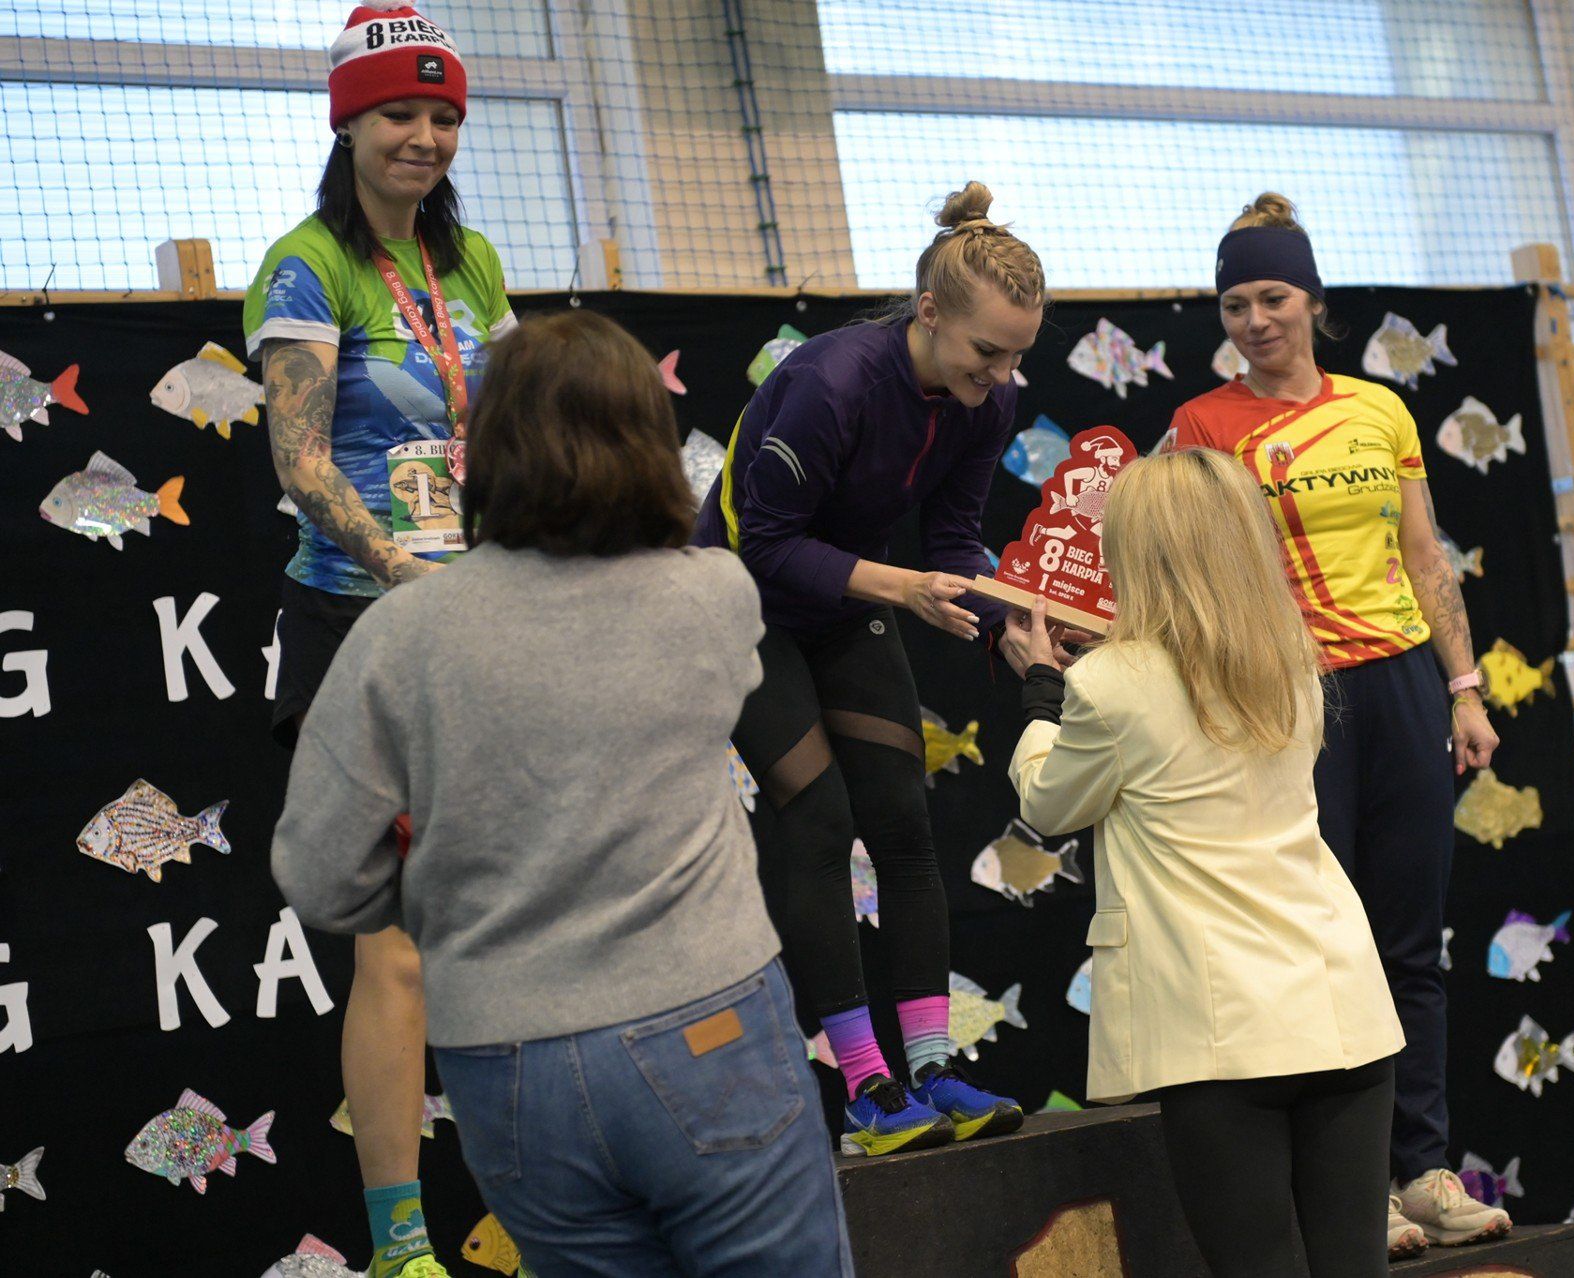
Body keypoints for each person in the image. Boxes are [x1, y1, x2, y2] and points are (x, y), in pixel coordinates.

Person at [272, 310, 855, 1278]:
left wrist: (455, 905)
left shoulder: (399, 637)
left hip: (507, 1068)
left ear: (484, 451)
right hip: (707, 1028)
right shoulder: (715, 595)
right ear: (651, 443)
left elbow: (318, 872)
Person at [1165, 194, 1507, 1256]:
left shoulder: (1379, 411)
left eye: (1272, 296)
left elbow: (1422, 555)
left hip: (1404, 682)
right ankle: (1353, 1200)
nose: (1256, 320)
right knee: (1320, 948)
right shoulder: (1201, 429)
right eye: (1234, 303)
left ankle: (1426, 1174)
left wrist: (1463, 687)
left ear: (1312, 297)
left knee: (1410, 942)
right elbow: (1192, 574)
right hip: (1289, 705)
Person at [692, 182, 1059, 1155]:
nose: (1004, 374)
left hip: (849, 601)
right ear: (930, 313)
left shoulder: (988, 402)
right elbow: (762, 545)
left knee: (904, 825)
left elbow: (950, 542)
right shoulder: (831, 384)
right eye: (989, 351)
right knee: (818, 819)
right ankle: (865, 1091)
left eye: (1021, 354)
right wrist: (905, 592)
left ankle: (932, 1073)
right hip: (740, 605)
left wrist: (1009, 622)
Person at [243, 6, 514, 1274]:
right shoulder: (307, 265)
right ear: (347, 121)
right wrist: (407, 570)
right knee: (395, 945)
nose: (423, 136)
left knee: (519, 924)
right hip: (358, 629)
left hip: (482, 625)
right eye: (398, 113)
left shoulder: (475, 267)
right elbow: (300, 462)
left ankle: (550, 1202)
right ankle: (402, 1245)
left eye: (443, 114)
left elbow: (516, 431)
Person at [1004, 449, 1404, 1277]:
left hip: (1220, 1033)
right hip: (1343, 1010)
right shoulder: (1290, 658)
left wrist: (1042, 689)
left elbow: (1049, 804)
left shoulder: (1109, 683)